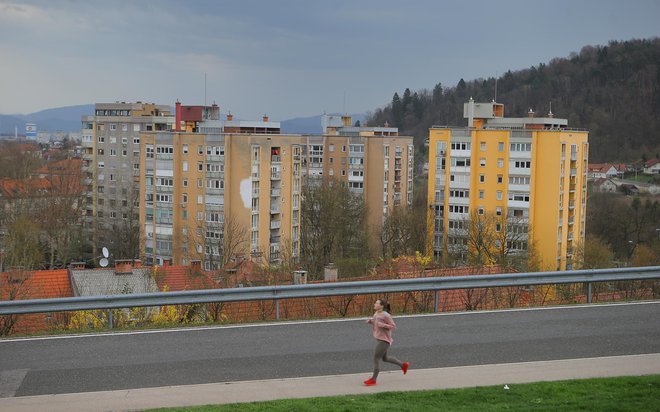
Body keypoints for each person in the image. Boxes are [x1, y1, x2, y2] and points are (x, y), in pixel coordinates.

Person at [364, 298, 409, 386]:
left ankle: (373, 380)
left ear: (381, 306)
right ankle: (403, 365)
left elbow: (393, 326)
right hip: (380, 339)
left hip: (384, 340)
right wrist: (371, 322)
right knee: (385, 358)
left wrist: (383, 325)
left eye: (376, 303)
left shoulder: (386, 315)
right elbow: (377, 322)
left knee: (376, 358)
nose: (374, 304)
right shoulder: (376, 313)